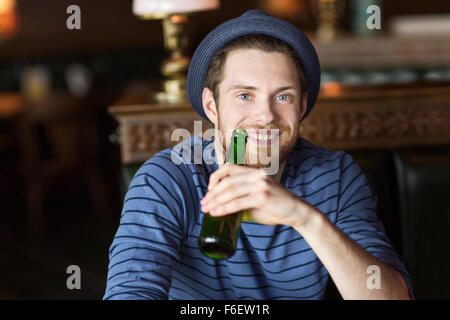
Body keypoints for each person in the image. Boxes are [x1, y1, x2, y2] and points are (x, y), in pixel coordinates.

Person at [103, 10, 414, 300]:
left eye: (282, 96)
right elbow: (129, 292)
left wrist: (304, 218)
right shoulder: (168, 178)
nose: (265, 115)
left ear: (302, 106)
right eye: (244, 95)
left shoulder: (335, 175)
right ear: (212, 106)